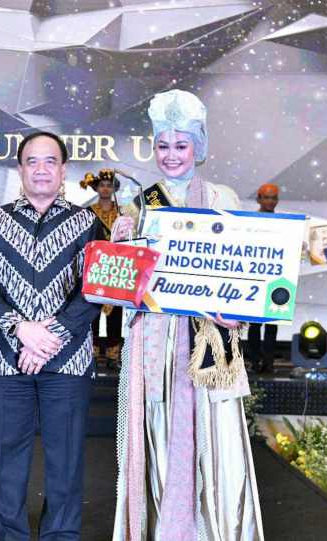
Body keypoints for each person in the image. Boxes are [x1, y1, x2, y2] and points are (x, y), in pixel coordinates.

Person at [110, 89, 263, 540]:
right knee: (159, 433)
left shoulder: (221, 196)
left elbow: (244, 269)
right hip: (155, 342)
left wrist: (238, 312)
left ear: (198, 146)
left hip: (207, 338)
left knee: (214, 438)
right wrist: (119, 247)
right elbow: (121, 288)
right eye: (163, 145)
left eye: (181, 145)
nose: (171, 155)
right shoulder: (138, 205)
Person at [0, 131, 100, 540]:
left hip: (68, 360)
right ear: (20, 168)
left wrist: (49, 337)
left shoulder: (89, 223)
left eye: (50, 161)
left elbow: (95, 290)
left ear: (64, 170)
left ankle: (60, 536)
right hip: (6, 357)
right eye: (32, 161)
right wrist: (21, 329)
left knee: (66, 462)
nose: (41, 169)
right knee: (6, 462)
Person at [82, 169, 124, 367]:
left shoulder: (123, 212)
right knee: (93, 309)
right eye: (102, 185)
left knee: (116, 311)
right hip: (95, 264)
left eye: (109, 185)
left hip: (117, 265)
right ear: (96, 188)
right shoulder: (88, 212)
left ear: (114, 189)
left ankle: (114, 352)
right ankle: (94, 351)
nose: (105, 189)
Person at [246, 182, 280, 373]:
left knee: (273, 323)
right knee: (254, 324)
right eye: (266, 197)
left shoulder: (285, 224)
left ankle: (269, 362)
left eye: (274, 197)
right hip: (256, 277)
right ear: (259, 199)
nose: (270, 201)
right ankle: (254, 361)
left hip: (277, 278)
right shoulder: (251, 221)